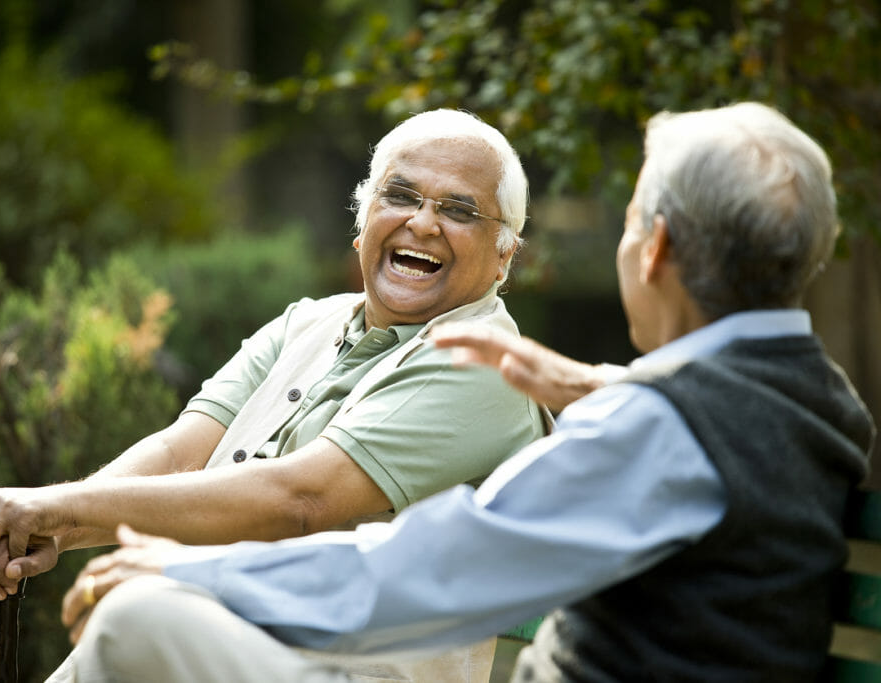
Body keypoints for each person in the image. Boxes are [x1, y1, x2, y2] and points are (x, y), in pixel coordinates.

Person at [53, 101, 875, 683]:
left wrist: (192, 572)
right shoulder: (818, 402)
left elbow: (432, 570)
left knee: (138, 617)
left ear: (653, 248)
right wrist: (608, 386)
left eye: (627, 221)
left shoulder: (663, 430)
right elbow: (711, 431)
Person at [0, 108, 548, 683]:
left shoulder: (484, 362)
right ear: (362, 218)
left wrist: (63, 511)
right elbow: (179, 453)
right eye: (400, 196)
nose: (422, 222)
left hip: (355, 669)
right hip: (228, 641)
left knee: (136, 617)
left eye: (459, 210)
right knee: (136, 615)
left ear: (504, 256)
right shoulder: (306, 323)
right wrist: (55, 527)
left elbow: (301, 500)